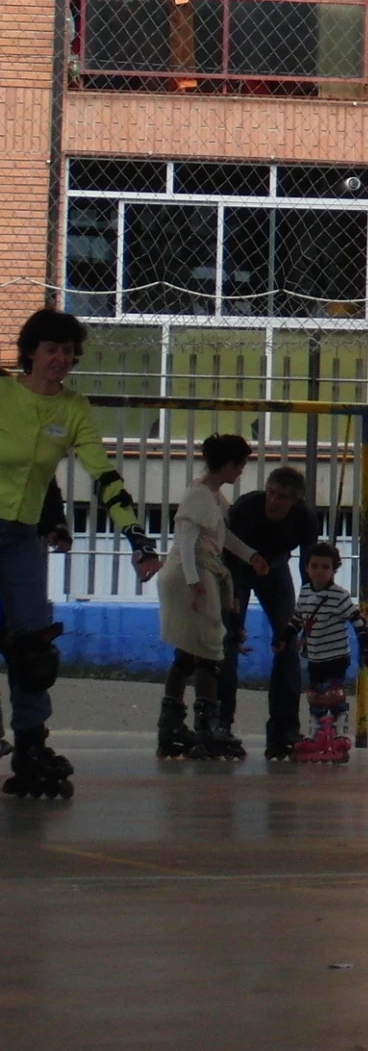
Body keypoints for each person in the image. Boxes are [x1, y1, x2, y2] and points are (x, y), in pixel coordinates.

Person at [0, 307, 160, 798]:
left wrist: (136, 536)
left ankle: (30, 743)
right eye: (51, 349)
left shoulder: (73, 408)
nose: (61, 360)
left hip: (22, 538)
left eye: (69, 352)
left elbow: (103, 474)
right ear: (30, 352)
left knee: (33, 651)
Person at [157, 433, 264, 763]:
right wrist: (194, 584)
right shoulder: (199, 496)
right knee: (207, 650)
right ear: (230, 465)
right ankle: (207, 725)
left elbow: (223, 535)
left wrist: (250, 556)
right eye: (241, 466)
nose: (241, 472)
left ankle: (172, 727)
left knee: (189, 652)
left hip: (196, 573)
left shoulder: (211, 495)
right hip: (191, 574)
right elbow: (186, 540)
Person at [220, 464, 318, 760]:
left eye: (283, 497)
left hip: (275, 570)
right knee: (227, 643)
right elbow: (229, 556)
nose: (274, 502)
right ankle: (219, 724)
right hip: (238, 568)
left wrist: (309, 609)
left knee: (287, 643)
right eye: (272, 493)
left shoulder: (305, 518)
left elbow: (308, 566)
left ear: (296, 502)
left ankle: (284, 730)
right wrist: (234, 611)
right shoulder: (247, 507)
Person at [290, 540, 368, 764]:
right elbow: (298, 619)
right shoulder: (305, 591)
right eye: (315, 566)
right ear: (306, 567)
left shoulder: (339, 596)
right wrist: (283, 638)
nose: (319, 571)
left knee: (333, 694)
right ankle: (316, 734)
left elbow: (357, 622)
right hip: (315, 655)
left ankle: (340, 735)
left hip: (337, 655)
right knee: (314, 696)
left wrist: (366, 648)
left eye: (325, 567)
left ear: (334, 570)